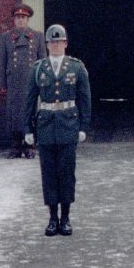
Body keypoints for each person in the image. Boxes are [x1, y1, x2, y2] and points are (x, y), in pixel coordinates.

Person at [23, 24, 92, 235]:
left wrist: (83, 126)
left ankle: (66, 218)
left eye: (58, 41)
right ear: (47, 45)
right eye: (51, 42)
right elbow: (29, 100)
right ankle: (52, 218)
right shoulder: (38, 68)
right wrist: (28, 128)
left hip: (68, 124)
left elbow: (85, 99)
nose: (55, 45)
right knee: (49, 174)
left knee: (67, 173)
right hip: (45, 126)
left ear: (65, 43)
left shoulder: (76, 67)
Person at [0, 4, 45, 158]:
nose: (21, 21)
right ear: (14, 20)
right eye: (18, 18)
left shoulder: (37, 36)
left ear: (28, 19)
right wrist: (2, 83)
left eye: (23, 18)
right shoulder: (6, 37)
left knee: (30, 111)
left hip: (31, 81)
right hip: (14, 82)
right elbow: (2, 61)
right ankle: (16, 145)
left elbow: (42, 60)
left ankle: (30, 145)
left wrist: (44, 81)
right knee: (14, 113)